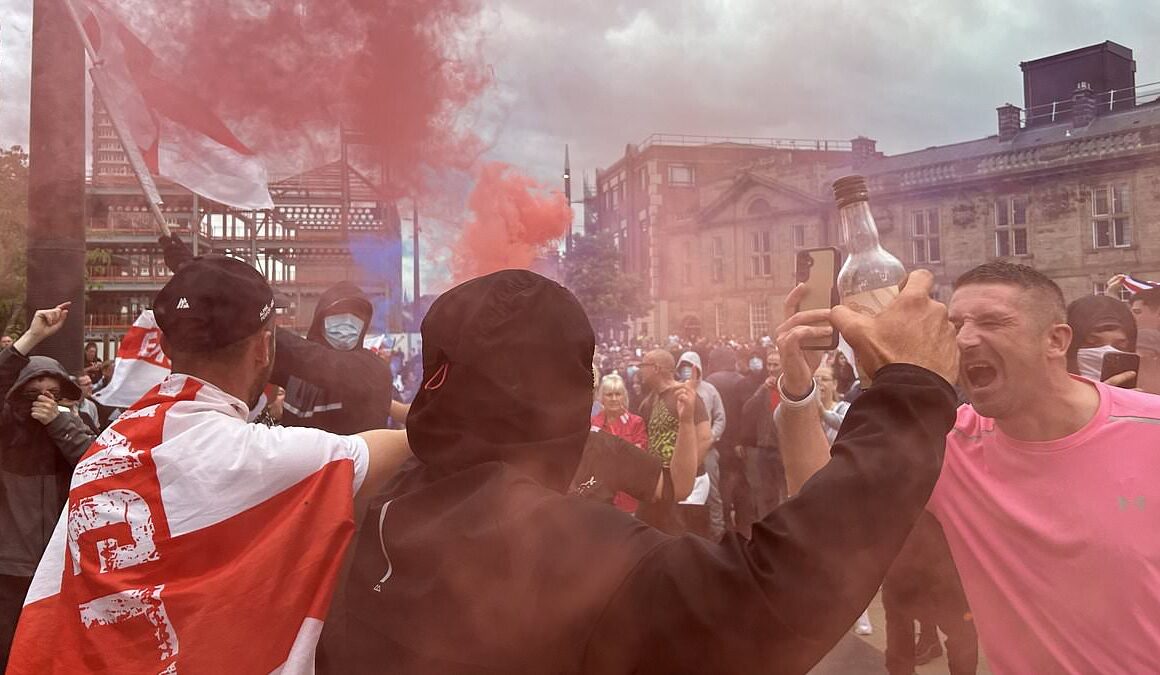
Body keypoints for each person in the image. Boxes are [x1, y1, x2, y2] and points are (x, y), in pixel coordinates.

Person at [339, 268, 961, 674]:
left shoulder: (371, 499)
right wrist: (913, 390)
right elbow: (770, 600)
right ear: (571, 391)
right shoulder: (569, 555)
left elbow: (665, 479)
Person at [7, 256, 412, 674]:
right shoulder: (265, 459)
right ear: (265, 348)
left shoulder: (104, 450)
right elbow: (403, 447)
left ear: (164, 348)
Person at [779, 260, 1160, 673]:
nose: (964, 339)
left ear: (1056, 339)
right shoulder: (949, 444)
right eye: (955, 325)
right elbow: (822, 518)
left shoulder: (1151, 428)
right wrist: (799, 389)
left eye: (993, 322)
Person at [0, 303, 97, 670]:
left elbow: (98, 465)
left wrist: (60, 424)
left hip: (61, 570)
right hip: (8, 571)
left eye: (53, 394)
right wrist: (31, 338)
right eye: (32, 393)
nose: (42, 401)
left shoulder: (71, 430)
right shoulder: (7, 431)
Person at [882, 512, 978, 675]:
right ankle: (928, 642)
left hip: (937, 553)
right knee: (900, 622)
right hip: (910, 549)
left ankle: (928, 642)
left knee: (960, 631)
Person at [739, 349, 787, 532]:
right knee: (766, 493)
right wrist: (762, 389)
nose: (772, 369)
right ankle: (768, 528)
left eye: (776, 365)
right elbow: (747, 409)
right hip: (764, 447)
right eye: (769, 365)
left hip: (783, 448)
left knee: (785, 492)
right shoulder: (763, 388)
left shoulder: (789, 386)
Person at [589, 374, 649, 512]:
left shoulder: (636, 423)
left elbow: (639, 457)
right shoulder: (592, 424)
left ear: (624, 396)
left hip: (629, 497)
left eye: (618, 394)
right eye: (609, 395)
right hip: (600, 497)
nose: (614, 399)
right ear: (601, 397)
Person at [1064, 293, 1137, 382]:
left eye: (1120, 346)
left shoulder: (1147, 389)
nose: (1106, 351)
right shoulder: (1046, 390)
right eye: (1093, 344)